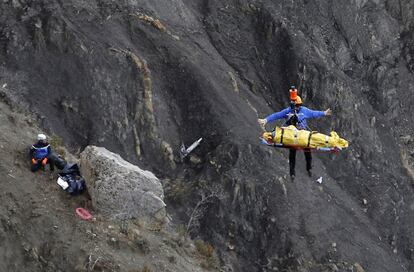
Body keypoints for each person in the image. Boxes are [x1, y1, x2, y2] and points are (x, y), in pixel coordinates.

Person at [258, 95, 332, 181]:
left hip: (303, 134)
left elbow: (313, 113)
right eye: (296, 105)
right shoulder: (288, 111)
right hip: (291, 135)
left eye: (299, 105)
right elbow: (277, 115)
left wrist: (324, 113)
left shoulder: (304, 110)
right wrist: (266, 120)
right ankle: (292, 174)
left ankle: (309, 169)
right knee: (292, 154)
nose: (298, 107)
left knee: (307, 153)